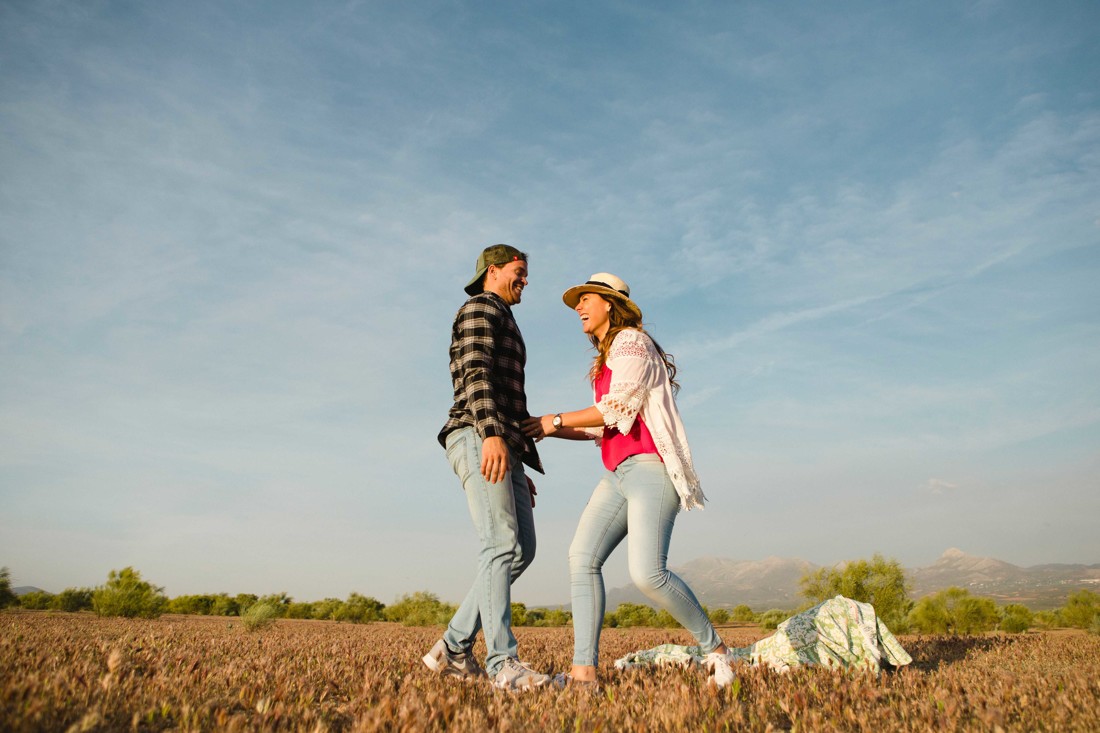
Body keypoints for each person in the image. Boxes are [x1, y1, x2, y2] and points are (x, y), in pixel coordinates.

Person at [523, 272, 734, 688]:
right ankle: (584, 673)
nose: (579, 308)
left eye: (586, 300)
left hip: (651, 470)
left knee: (647, 574)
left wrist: (555, 419)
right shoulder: (607, 358)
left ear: (609, 304)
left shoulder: (631, 342)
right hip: (618, 473)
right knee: (582, 559)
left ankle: (718, 652)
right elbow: (603, 426)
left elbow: (615, 407)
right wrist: (544, 427)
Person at [422, 244, 552, 692]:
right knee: (499, 543)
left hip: (501, 442)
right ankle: (503, 664)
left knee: (522, 549)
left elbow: (506, 390)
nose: (526, 280)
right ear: (492, 271)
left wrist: (517, 459)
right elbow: (476, 372)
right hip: (478, 434)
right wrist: (493, 436)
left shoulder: (504, 315)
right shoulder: (480, 307)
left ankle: (454, 646)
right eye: (519, 271)